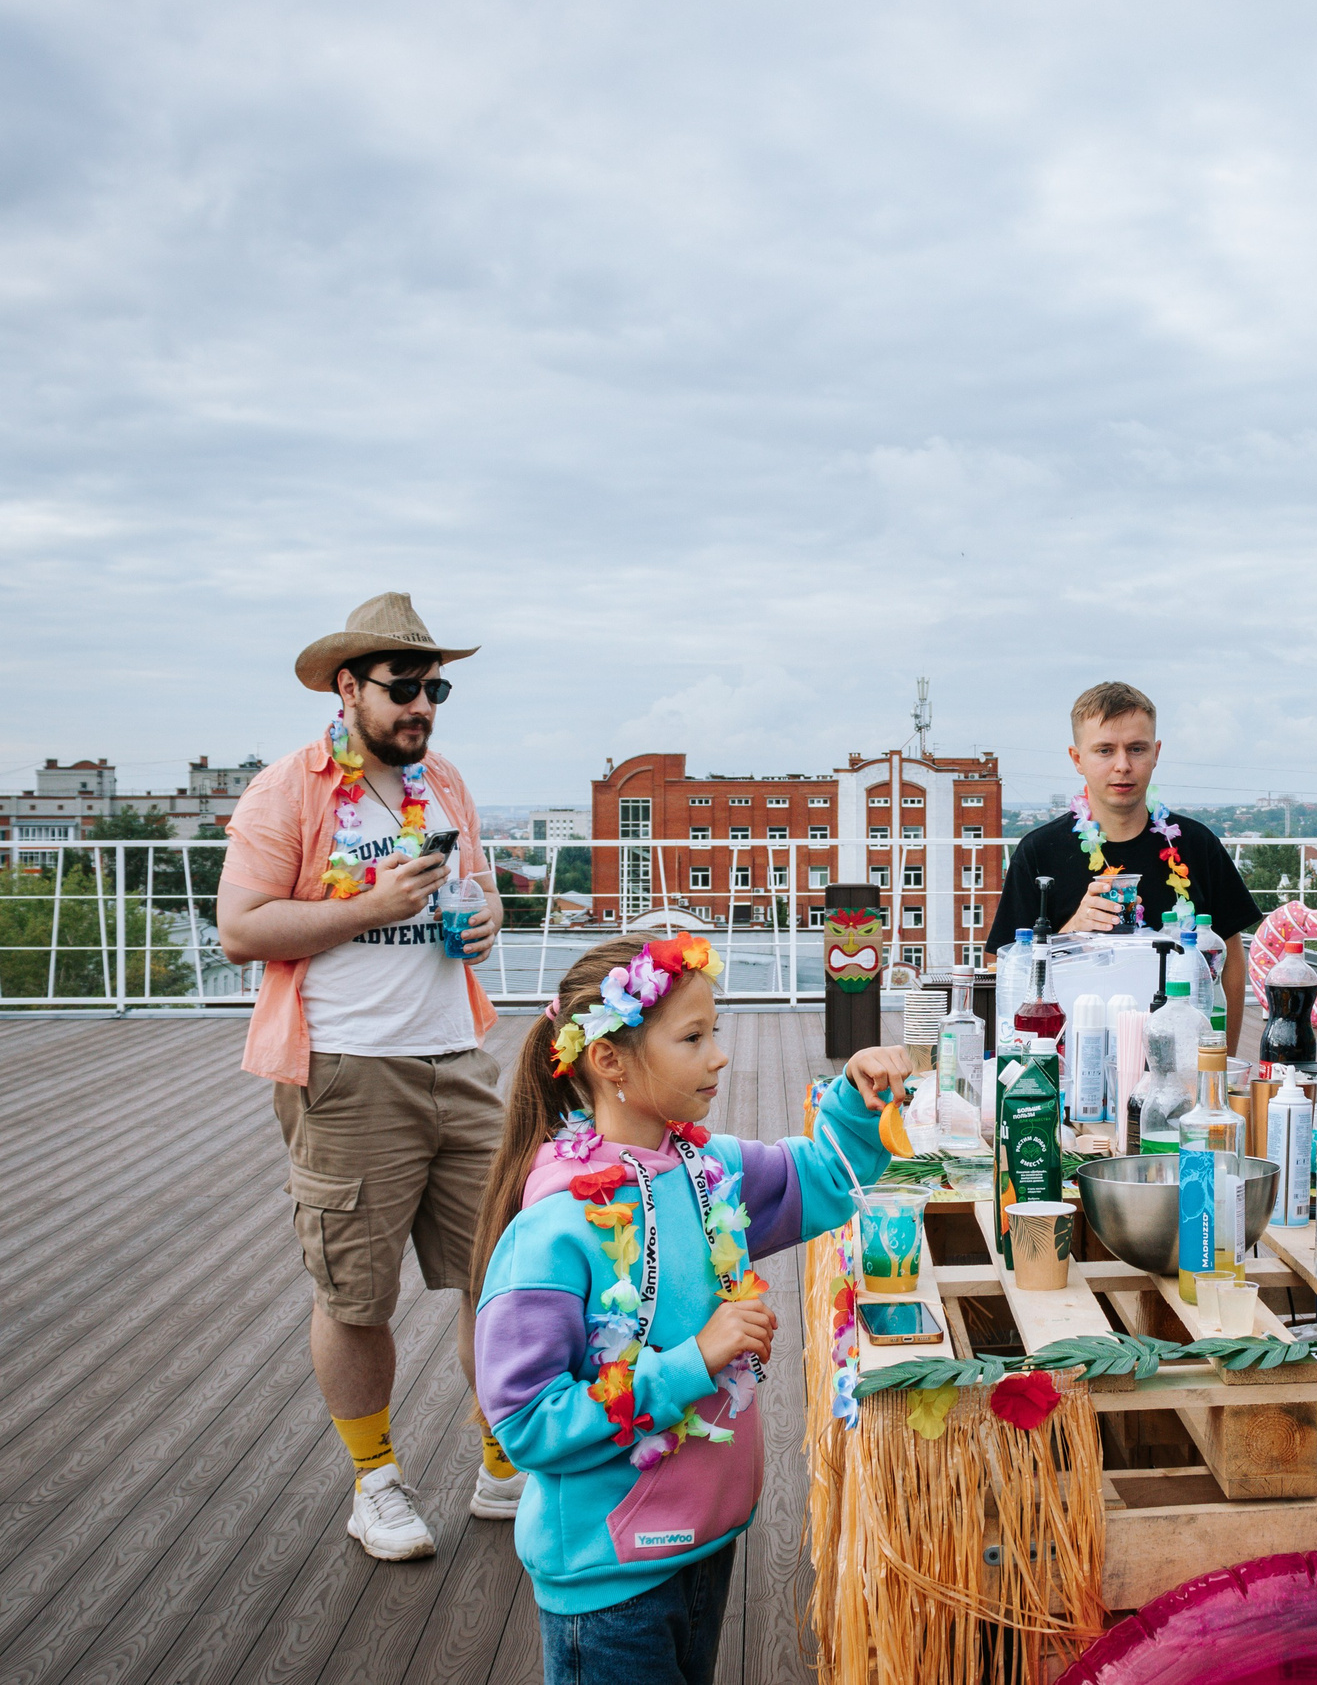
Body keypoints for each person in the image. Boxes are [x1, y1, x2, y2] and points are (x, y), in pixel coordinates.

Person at [469, 934, 908, 1684]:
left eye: (718, 1032)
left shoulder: (711, 1173)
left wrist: (859, 1095)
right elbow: (524, 1421)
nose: (719, 1056)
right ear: (609, 1061)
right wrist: (693, 1360)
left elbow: (823, 1178)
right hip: (608, 1584)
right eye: (693, 1037)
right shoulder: (551, 1229)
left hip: (704, 1542)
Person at [219, 592, 516, 1560]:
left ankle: (504, 1465)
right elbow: (242, 930)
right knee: (358, 1295)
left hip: (458, 1061)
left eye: (435, 687)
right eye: (403, 687)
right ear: (350, 688)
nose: (421, 704)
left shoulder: (447, 783)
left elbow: (479, 894)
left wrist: (485, 921)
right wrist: (367, 905)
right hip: (346, 1073)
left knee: (503, 1275)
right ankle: (376, 1482)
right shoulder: (287, 791)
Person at [985, 681, 1263, 1049]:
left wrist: (1219, 1061)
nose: (1122, 765)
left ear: (1156, 753)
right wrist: (1072, 934)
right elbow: (1005, 972)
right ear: (1077, 759)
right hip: (1069, 1054)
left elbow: (1229, 959)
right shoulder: (1039, 852)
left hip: (1180, 1055)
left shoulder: (1197, 844)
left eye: (1136, 749)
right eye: (1104, 750)